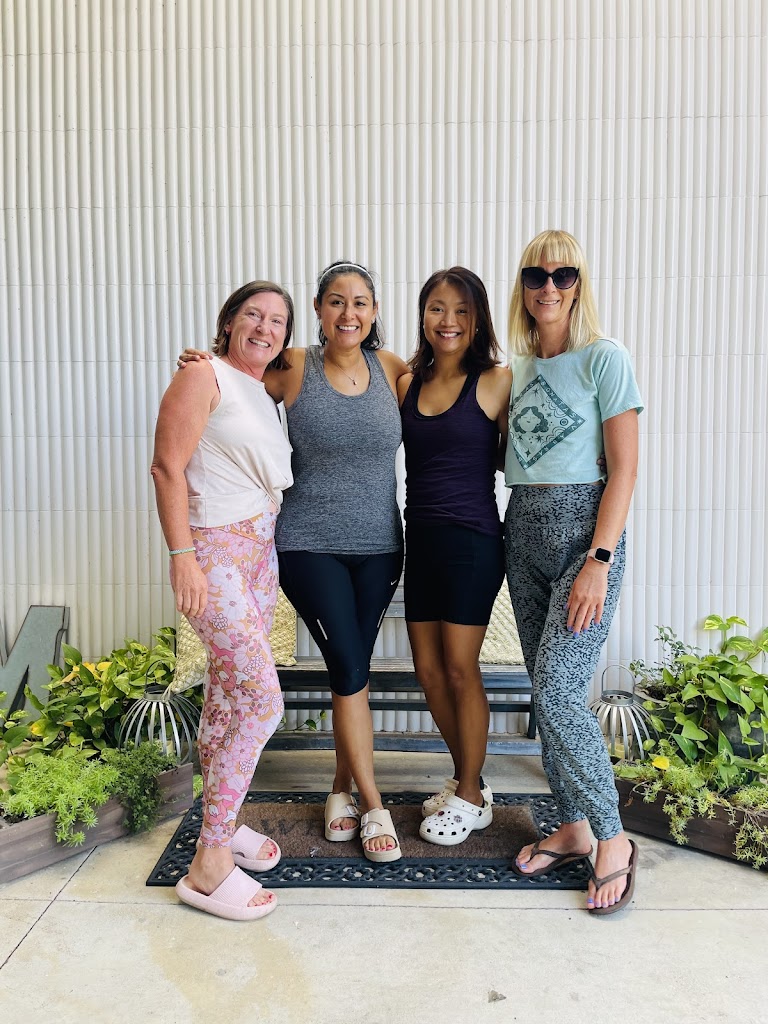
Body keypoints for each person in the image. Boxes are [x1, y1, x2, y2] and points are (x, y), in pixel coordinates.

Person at [180, 261, 409, 863]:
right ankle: (373, 803)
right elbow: (236, 382)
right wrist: (202, 364)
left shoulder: (393, 370)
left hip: (381, 546)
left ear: (374, 311)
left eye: (360, 302)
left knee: (352, 668)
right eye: (336, 301)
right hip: (307, 544)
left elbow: (448, 396)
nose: (348, 313)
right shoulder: (292, 366)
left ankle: (339, 791)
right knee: (348, 665)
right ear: (318, 309)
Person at [503, 230, 643, 915]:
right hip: (521, 531)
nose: (549, 287)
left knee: (559, 693)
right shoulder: (516, 369)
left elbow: (625, 470)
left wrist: (599, 560)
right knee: (544, 690)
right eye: (536, 275)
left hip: (585, 538)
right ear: (523, 287)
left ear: (579, 284)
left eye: (563, 275)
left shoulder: (605, 357)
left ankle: (612, 839)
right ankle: (574, 825)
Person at [151, 280, 295, 920]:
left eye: (277, 321)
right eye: (253, 315)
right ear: (230, 321)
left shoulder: (263, 391)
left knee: (228, 693)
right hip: (212, 550)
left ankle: (222, 821)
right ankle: (209, 864)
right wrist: (182, 556)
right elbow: (167, 467)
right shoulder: (202, 374)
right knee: (263, 701)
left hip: (258, 554)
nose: (265, 327)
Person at [396, 268, 511, 845]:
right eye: (437, 308)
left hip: (472, 543)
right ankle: (472, 781)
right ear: (423, 315)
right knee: (428, 670)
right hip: (420, 541)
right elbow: (340, 360)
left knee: (461, 668)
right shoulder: (404, 381)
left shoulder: (497, 380)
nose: (449, 321)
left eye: (462, 310)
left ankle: (468, 792)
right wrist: (217, 358)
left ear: (478, 319)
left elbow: (530, 450)